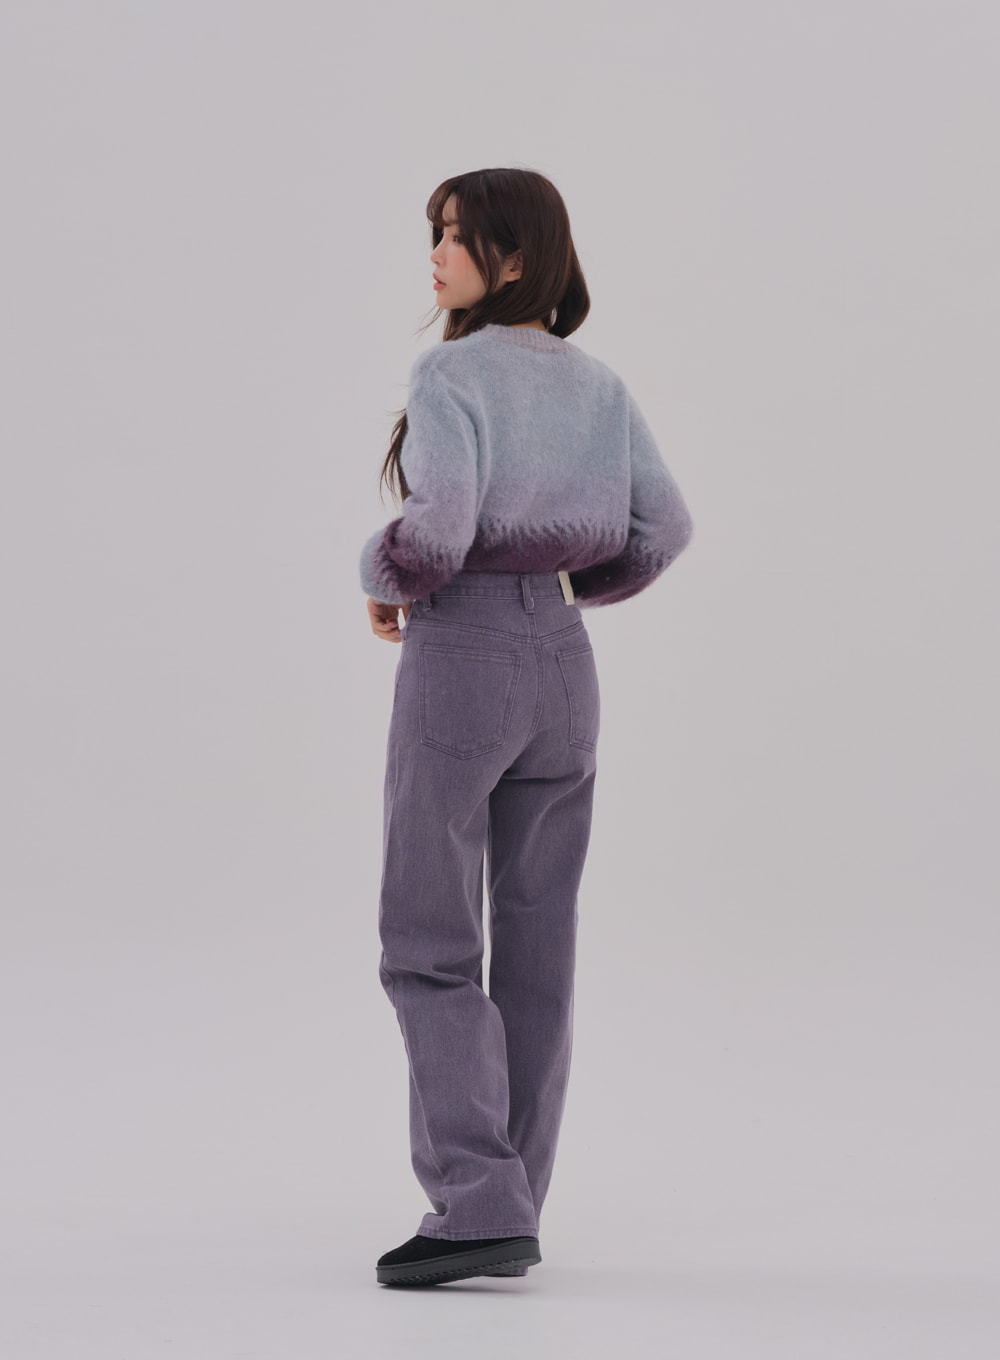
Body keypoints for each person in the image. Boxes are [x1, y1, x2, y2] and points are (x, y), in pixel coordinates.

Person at [360, 167, 694, 1287]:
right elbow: (666, 526)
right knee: (539, 940)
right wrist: (563, 590)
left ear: (513, 258)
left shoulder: (451, 372)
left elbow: (437, 532)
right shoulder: (597, 384)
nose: (436, 253)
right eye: (436, 233)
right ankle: (511, 1201)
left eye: (457, 236)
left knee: (427, 940)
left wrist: (381, 572)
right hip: (564, 664)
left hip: (465, 654)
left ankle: (476, 1204)